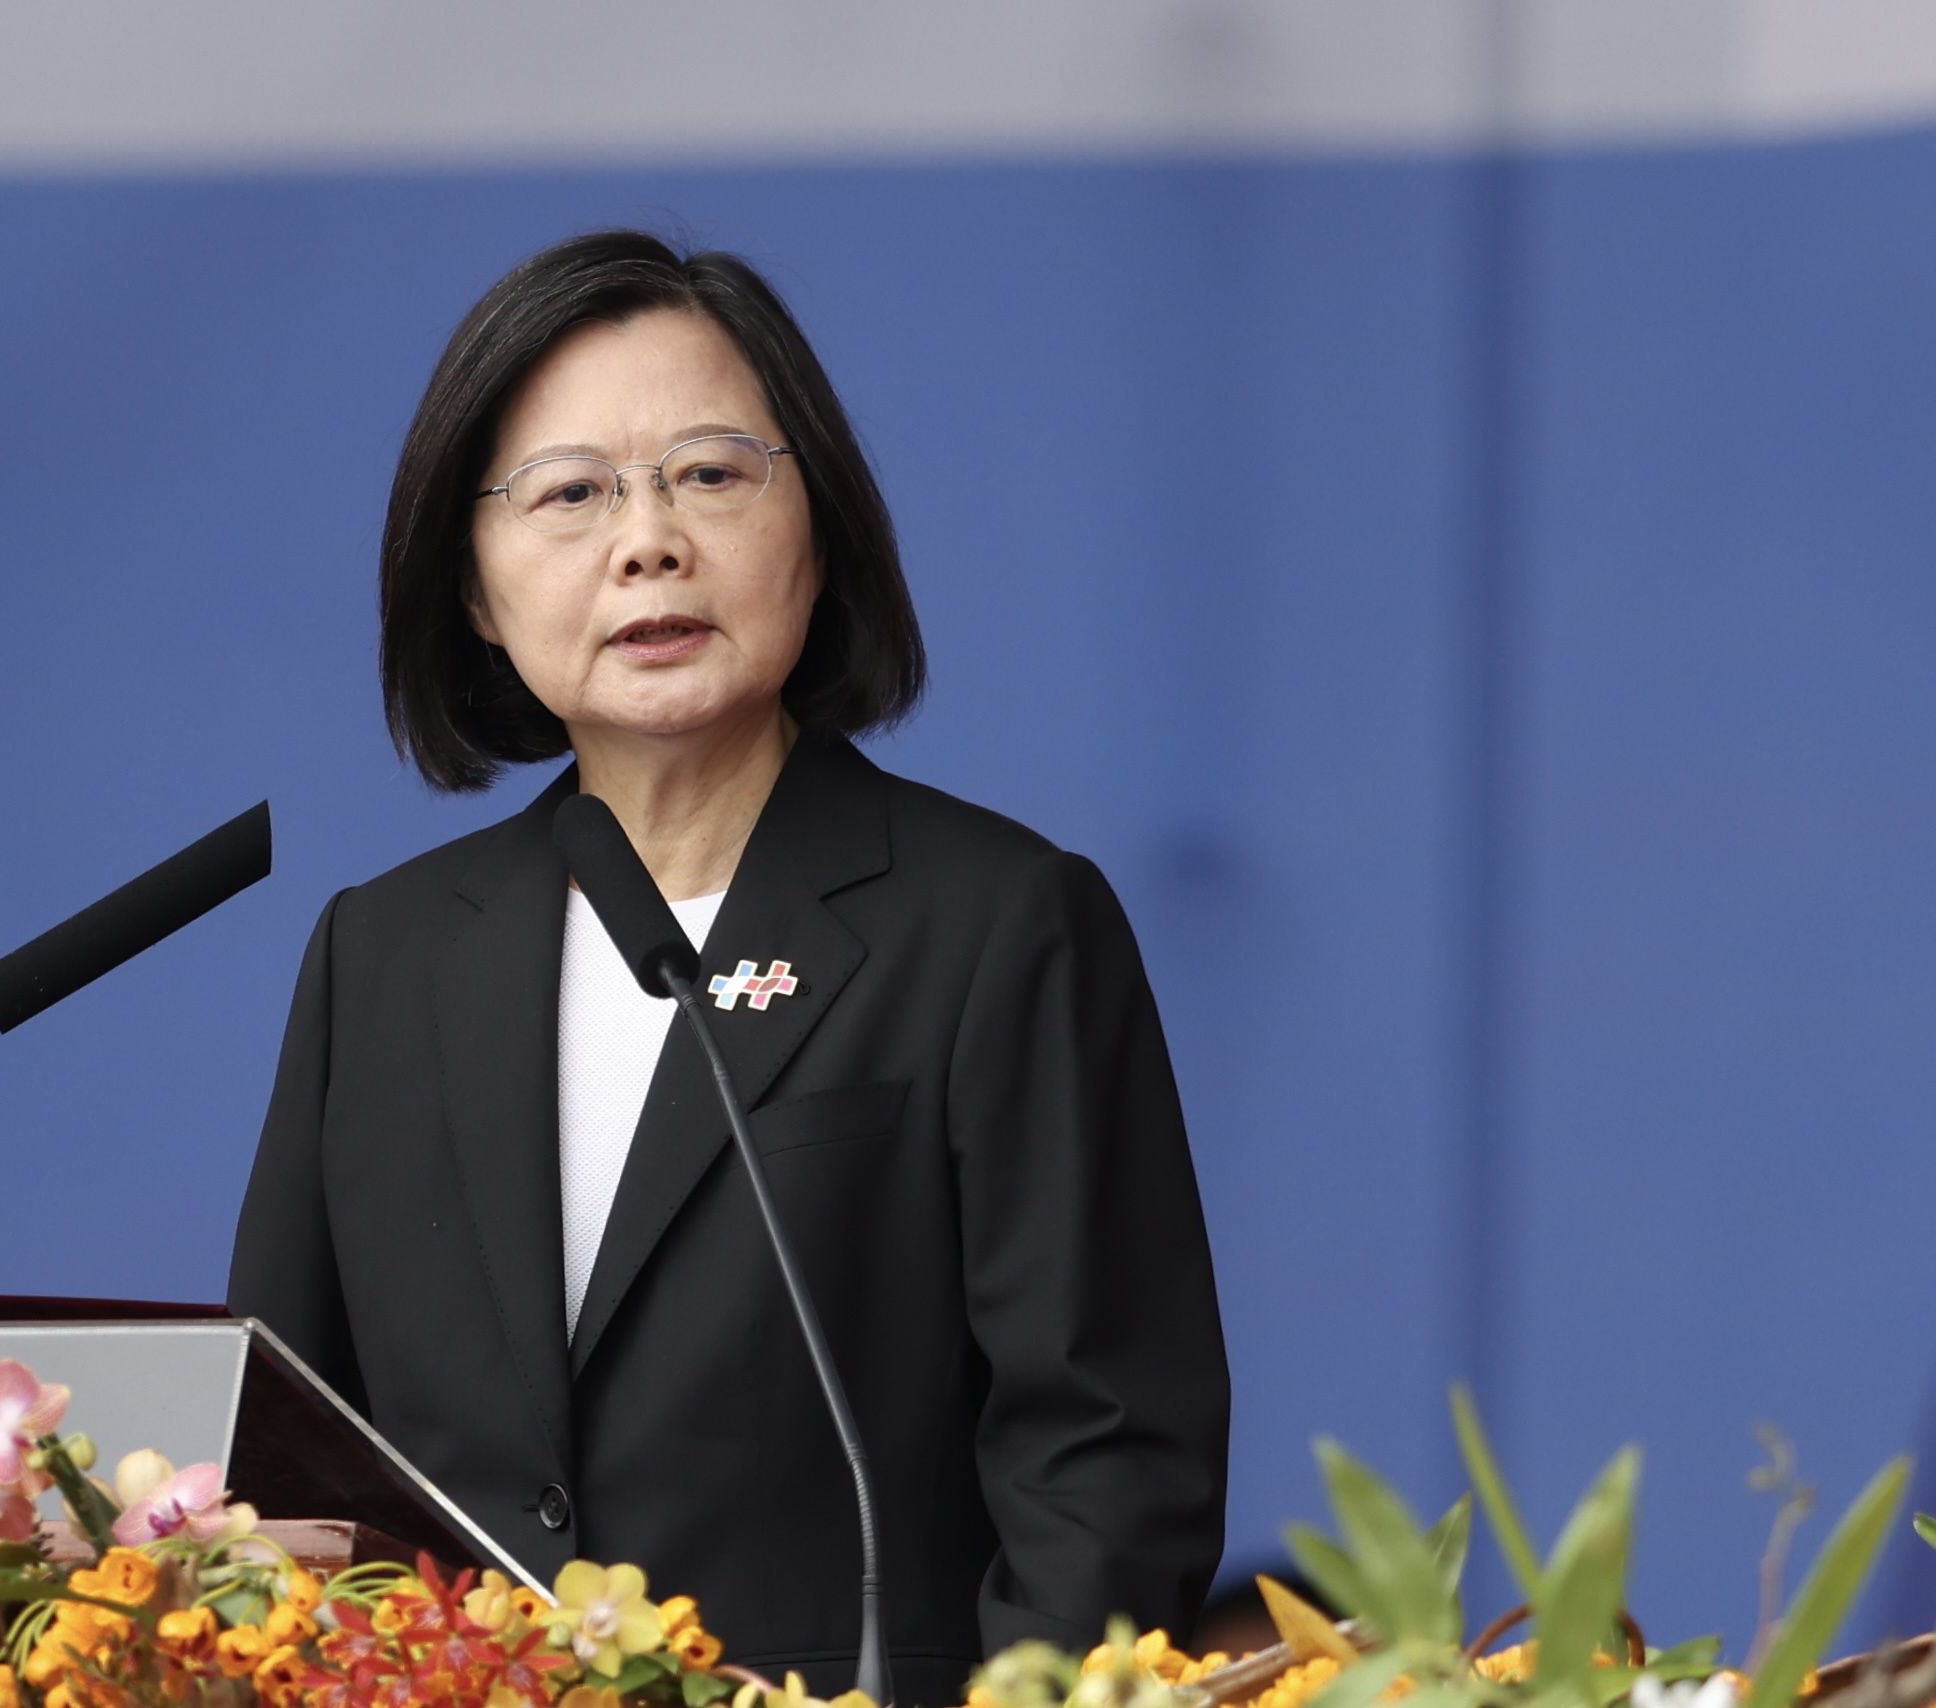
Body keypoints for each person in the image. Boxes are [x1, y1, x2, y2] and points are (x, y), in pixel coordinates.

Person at [226, 230, 1229, 1706]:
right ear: (477, 592)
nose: (648, 541)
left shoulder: (998, 925)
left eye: (709, 474)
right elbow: (288, 1469)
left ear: (818, 528)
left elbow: (1107, 1467)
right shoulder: (381, 958)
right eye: (571, 494)